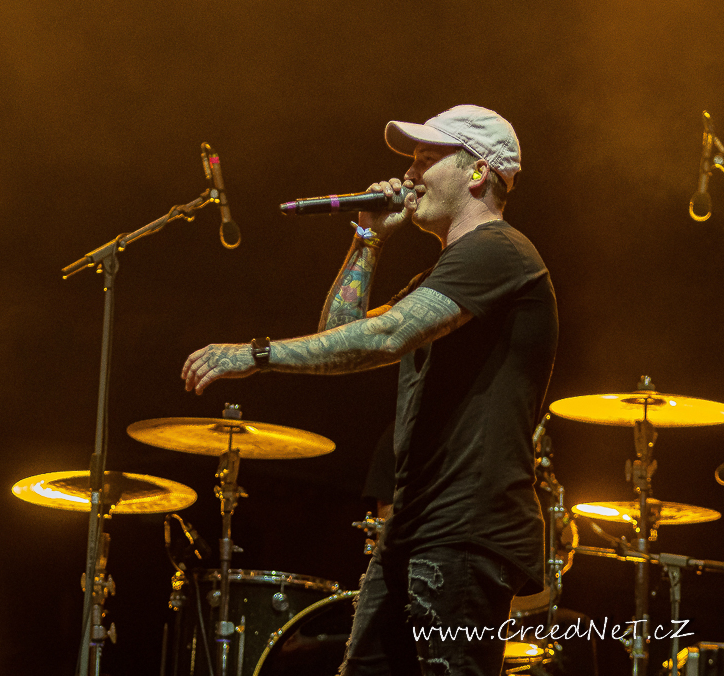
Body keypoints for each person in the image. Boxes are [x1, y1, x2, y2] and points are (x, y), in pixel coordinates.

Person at [181, 104, 558, 675]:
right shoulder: (444, 276)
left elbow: (386, 336)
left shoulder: (500, 252)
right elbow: (339, 337)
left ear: (478, 172)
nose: (409, 175)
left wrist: (257, 354)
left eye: (426, 159)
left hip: (465, 529)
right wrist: (367, 238)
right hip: (415, 526)